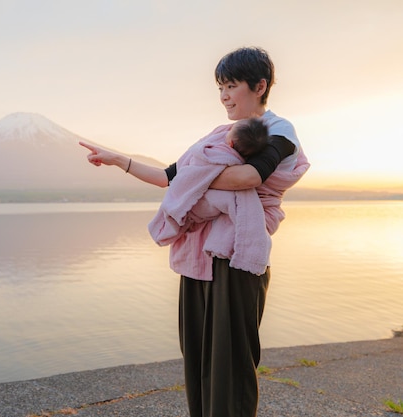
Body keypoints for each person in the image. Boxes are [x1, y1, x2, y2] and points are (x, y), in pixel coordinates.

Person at [79, 46, 310, 417]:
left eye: (231, 86)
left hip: (235, 257)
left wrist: (192, 179)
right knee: (199, 355)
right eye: (220, 88)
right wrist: (118, 160)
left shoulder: (278, 129)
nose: (223, 97)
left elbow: (251, 176)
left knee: (231, 361)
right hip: (199, 258)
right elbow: (167, 179)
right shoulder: (220, 135)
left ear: (260, 86)